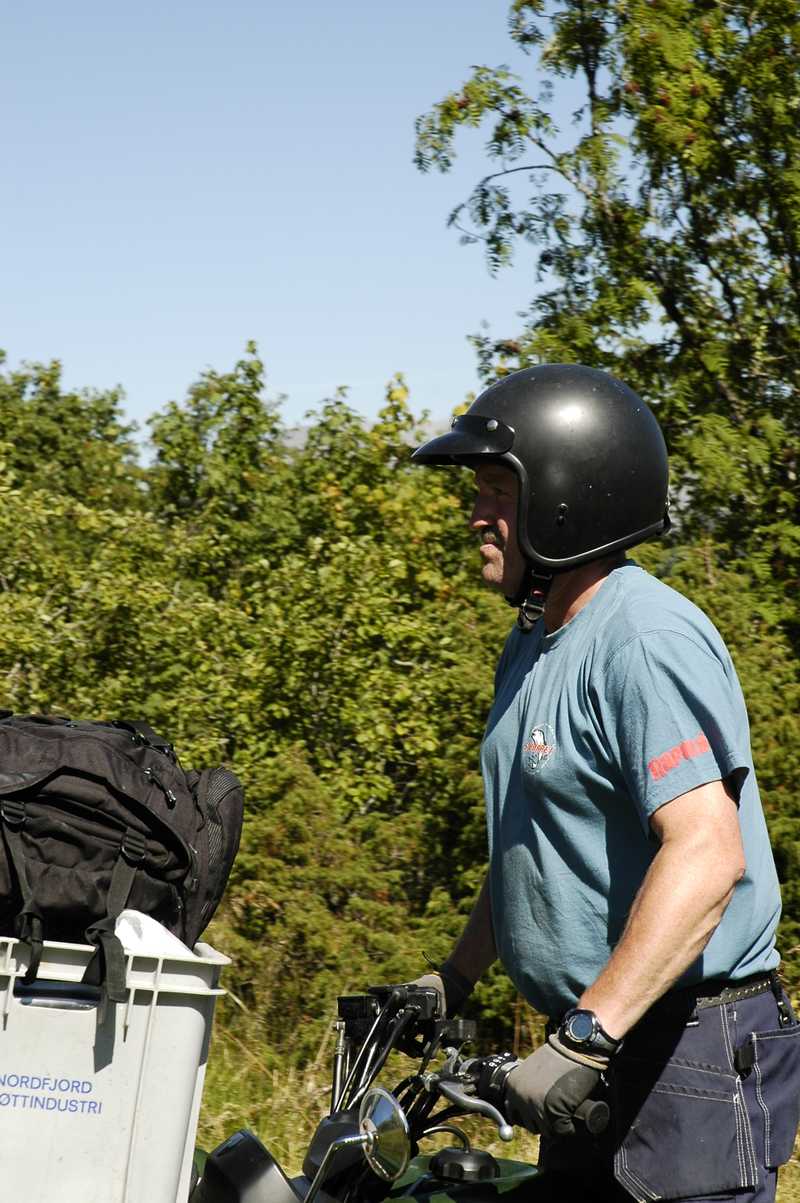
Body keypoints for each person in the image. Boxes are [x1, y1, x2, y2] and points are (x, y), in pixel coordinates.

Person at [407, 364, 800, 1202]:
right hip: (605, 1041)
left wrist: (587, 1035)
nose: (476, 515)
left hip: (683, 1048)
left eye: (495, 493)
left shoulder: (644, 639)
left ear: (564, 494)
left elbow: (707, 853)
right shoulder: (535, 639)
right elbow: (536, 841)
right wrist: (455, 975)